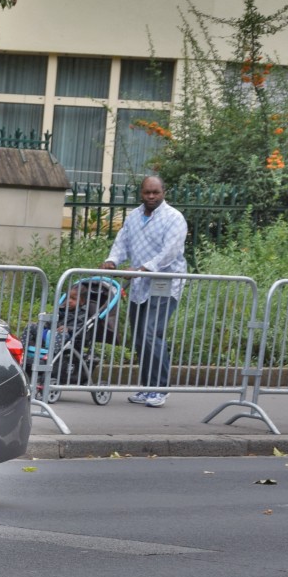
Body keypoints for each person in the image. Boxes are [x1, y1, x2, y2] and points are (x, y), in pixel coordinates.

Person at [100, 175, 187, 408]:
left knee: (151, 333)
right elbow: (122, 242)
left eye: (155, 193)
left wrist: (143, 268)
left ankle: (159, 388)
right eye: (147, 192)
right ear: (141, 192)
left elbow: (170, 252)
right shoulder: (134, 216)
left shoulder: (174, 218)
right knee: (139, 337)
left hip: (164, 283)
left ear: (163, 192)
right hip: (139, 284)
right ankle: (147, 387)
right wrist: (112, 261)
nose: (151, 196)